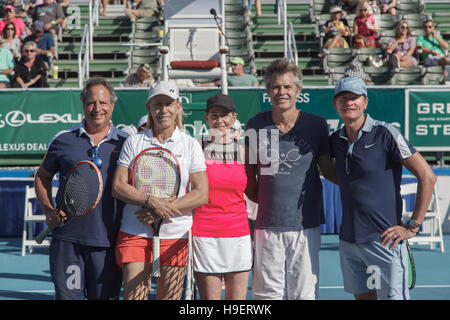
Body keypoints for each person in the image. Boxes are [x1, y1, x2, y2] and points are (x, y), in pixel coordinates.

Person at [329, 76, 437, 300]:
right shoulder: (335, 140)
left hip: (384, 242)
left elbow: (427, 176)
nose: (348, 102)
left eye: (354, 98)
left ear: (365, 102)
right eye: (343, 98)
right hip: (349, 242)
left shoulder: (386, 133)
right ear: (335, 104)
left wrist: (412, 226)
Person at [244, 58, 337, 300]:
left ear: (298, 91)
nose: (281, 92)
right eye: (275, 87)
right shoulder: (255, 125)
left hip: (306, 226)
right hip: (266, 226)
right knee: (267, 295)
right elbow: (249, 178)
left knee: (303, 294)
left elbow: (328, 170)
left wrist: (359, 185)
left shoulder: (316, 125)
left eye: (287, 87)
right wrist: (269, 206)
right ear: (267, 92)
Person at [111, 80, 209, 300]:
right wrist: (151, 202)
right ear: (149, 107)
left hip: (176, 232)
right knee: (134, 297)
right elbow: (118, 186)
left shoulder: (190, 144)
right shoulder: (134, 142)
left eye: (168, 103)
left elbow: (201, 193)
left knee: (170, 298)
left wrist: (162, 209)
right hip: (135, 230)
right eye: (157, 104)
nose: (163, 110)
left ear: (178, 106)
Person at [34, 77, 127, 299]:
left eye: (103, 103)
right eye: (91, 103)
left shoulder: (127, 142)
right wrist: (49, 210)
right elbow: (42, 177)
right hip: (68, 242)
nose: (98, 109)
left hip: (109, 243)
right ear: (84, 105)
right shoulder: (63, 140)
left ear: (112, 106)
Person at [192, 93, 252, 300]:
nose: (220, 120)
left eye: (225, 115)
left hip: (239, 234)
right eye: (214, 115)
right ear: (207, 118)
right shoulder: (195, 149)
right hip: (205, 234)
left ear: (234, 118)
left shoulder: (245, 151)